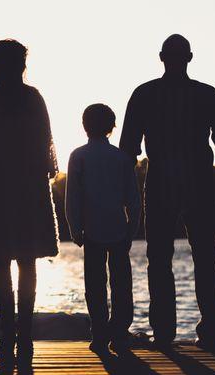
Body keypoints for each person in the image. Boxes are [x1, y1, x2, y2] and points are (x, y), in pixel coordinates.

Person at [120, 34, 215, 351]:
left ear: (162, 57)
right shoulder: (205, 94)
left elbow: (128, 149)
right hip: (197, 181)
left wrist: (122, 189)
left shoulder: (144, 94)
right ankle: (210, 331)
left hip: (162, 180)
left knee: (160, 258)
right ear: (190, 57)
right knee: (204, 256)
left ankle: (164, 331)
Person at [0, 39, 59, 366]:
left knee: (2, 260)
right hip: (26, 186)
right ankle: (24, 331)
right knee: (25, 259)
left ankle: (9, 331)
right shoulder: (32, 98)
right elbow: (46, 142)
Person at [65, 104, 141, 354]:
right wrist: (133, 228)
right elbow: (133, 198)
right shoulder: (121, 157)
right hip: (119, 229)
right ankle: (119, 333)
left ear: (84, 126)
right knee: (121, 284)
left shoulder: (79, 156)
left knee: (95, 285)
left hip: (92, 231)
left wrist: (74, 228)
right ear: (112, 127)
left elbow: (72, 197)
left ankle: (99, 334)